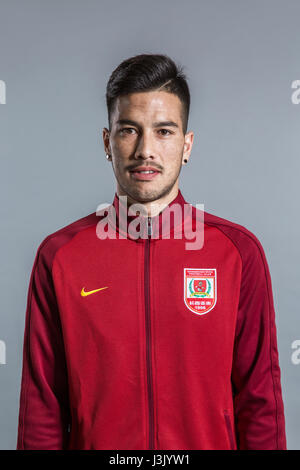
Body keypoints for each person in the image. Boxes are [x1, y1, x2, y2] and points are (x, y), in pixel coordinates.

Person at [16, 53, 287, 450]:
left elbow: (260, 401)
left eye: (164, 131)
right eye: (129, 130)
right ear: (107, 142)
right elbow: (42, 410)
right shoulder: (60, 258)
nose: (146, 150)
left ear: (187, 144)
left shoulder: (238, 254)